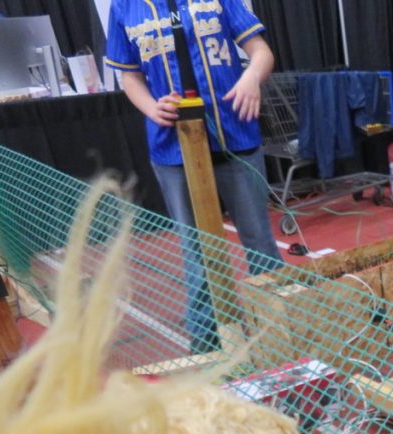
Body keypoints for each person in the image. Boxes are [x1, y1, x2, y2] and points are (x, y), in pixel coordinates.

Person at [105, 0, 284, 354]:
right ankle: (208, 345)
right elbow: (129, 76)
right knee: (195, 250)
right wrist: (151, 107)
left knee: (260, 242)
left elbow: (261, 51)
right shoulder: (124, 7)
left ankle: (283, 330)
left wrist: (251, 77)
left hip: (234, 136)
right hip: (173, 147)